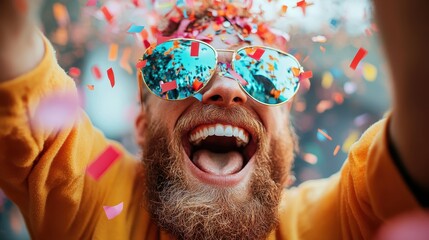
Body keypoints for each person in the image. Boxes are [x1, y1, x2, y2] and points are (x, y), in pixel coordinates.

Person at [0, 0, 427, 239]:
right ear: (143, 126)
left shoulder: (341, 220)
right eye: (180, 68)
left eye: (264, 74)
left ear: (289, 132)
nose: (225, 88)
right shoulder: (93, 201)